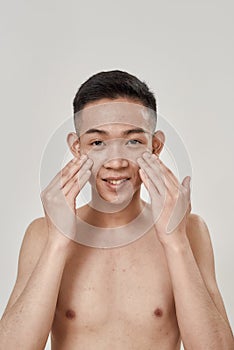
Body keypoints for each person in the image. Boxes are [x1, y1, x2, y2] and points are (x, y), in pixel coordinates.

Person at [0, 70, 233, 350]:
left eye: (133, 141)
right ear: (77, 148)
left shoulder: (190, 230)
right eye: (97, 143)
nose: (116, 162)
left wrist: (175, 242)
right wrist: (58, 242)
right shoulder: (42, 233)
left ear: (155, 146)